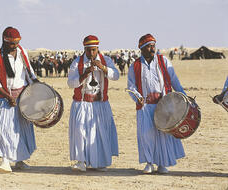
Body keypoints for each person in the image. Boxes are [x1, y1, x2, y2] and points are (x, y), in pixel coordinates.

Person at [127, 34, 186, 174]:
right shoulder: (135, 65)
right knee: (146, 134)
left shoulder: (163, 60)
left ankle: (162, 164)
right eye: (149, 46)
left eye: (153, 45)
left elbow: (174, 80)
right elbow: (131, 86)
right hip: (145, 105)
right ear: (142, 48)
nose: (152, 48)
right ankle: (149, 163)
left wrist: (183, 95)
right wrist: (138, 98)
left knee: (163, 134)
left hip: (163, 103)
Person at [67, 35, 119, 172]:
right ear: (84, 49)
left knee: (100, 132)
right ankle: (81, 161)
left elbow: (116, 76)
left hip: (100, 103)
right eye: (88, 50)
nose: (91, 53)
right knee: (80, 131)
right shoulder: (77, 62)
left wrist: (103, 68)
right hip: (82, 103)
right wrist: (84, 75)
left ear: (97, 49)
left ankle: (100, 162)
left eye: (94, 50)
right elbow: (70, 83)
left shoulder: (105, 60)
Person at [0, 27, 38, 173]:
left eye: (17, 43)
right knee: (5, 130)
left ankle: (19, 160)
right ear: (5, 41)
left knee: (21, 131)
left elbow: (29, 73)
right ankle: (5, 161)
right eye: (12, 43)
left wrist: (38, 86)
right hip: (5, 99)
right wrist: (8, 97)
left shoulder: (22, 52)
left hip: (23, 98)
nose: (15, 46)